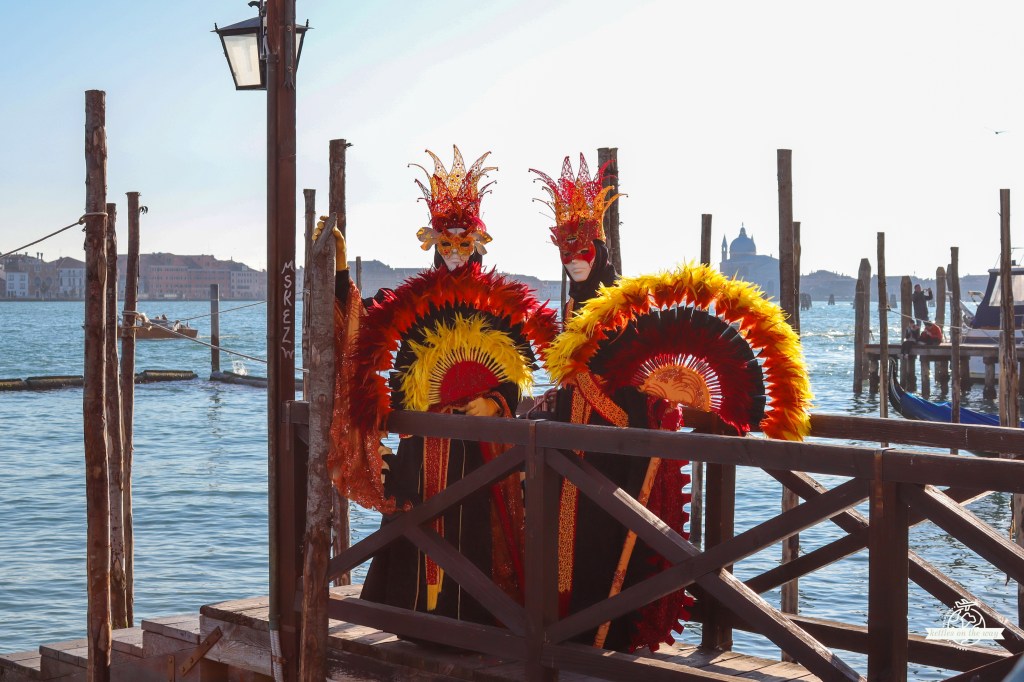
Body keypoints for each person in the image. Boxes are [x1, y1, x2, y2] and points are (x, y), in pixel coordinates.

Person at [323, 146, 556, 626]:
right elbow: (361, 332)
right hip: (422, 447)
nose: (453, 252)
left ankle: (476, 621)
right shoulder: (410, 304)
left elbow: (518, 372)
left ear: (477, 242)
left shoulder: (498, 304)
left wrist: (493, 403)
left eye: (462, 242)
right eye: (445, 244)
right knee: (418, 524)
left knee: (475, 531)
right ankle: (412, 620)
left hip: (480, 454)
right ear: (433, 243)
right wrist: (340, 270)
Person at [531, 154, 693, 652]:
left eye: (580, 249)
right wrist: (556, 400)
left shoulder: (623, 310)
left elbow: (630, 384)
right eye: (564, 251)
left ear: (599, 249)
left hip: (609, 454)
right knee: (568, 548)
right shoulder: (571, 307)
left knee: (602, 543)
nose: (572, 260)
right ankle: (570, 633)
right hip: (569, 452)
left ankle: (607, 635)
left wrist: (588, 393)